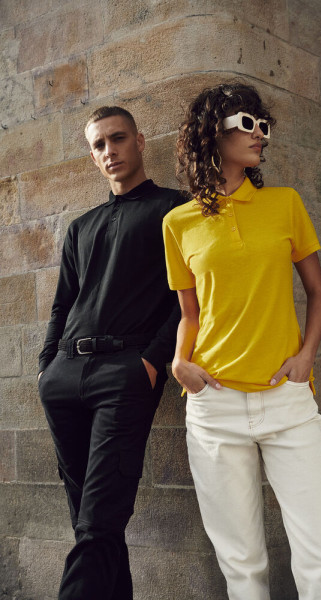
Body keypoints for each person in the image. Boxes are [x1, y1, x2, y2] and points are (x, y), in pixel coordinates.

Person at [162, 82, 321, 600]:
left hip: (287, 399)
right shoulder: (177, 223)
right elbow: (190, 314)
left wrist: (306, 358)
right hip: (214, 405)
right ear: (210, 134)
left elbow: (319, 295)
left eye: (263, 125)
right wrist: (179, 362)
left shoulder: (285, 204)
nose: (259, 134)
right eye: (247, 124)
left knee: (320, 553)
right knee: (241, 564)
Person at [38, 106, 183, 600]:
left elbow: (192, 296)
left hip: (125, 373)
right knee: (90, 523)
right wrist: (46, 369)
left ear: (139, 141)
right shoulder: (81, 227)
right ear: (93, 156)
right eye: (99, 145)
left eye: (118, 139)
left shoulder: (174, 209)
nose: (109, 151)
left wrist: (153, 359)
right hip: (64, 376)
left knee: (99, 521)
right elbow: (62, 304)